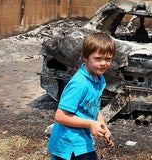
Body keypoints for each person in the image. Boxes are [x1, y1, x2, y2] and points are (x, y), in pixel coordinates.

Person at [48, 31, 116, 160]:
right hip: (69, 143)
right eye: (98, 58)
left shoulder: (99, 78)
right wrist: (91, 124)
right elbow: (60, 116)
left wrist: (102, 125)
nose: (103, 63)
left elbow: (93, 106)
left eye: (108, 59)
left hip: (81, 140)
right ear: (85, 57)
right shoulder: (79, 84)